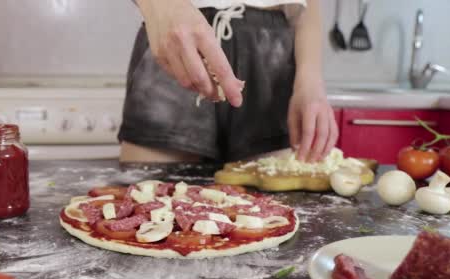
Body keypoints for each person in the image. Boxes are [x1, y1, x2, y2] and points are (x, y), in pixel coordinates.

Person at [118, 0, 338, 164]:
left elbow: (309, 8)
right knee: (147, 202)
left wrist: (310, 81)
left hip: (273, 61)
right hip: (176, 40)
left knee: (273, 214)